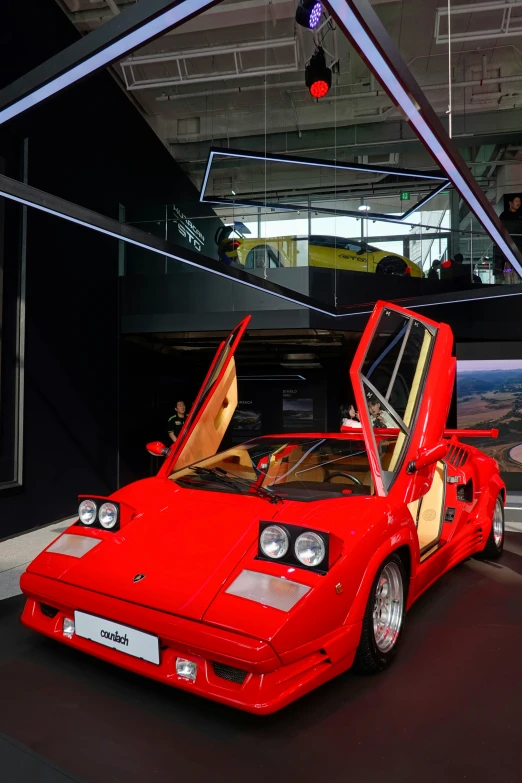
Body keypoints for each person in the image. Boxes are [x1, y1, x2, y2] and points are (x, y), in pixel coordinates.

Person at [495, 196, 522, 283]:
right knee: (508, 262)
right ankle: (507, 280)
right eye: (516, 201)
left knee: (516, 262)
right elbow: (499, 226)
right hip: (508, 242)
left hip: (518, 243)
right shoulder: (504, 215)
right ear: (510, 203)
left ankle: (515, 281)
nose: (518, 203)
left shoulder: (520, 215)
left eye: (519, 202)